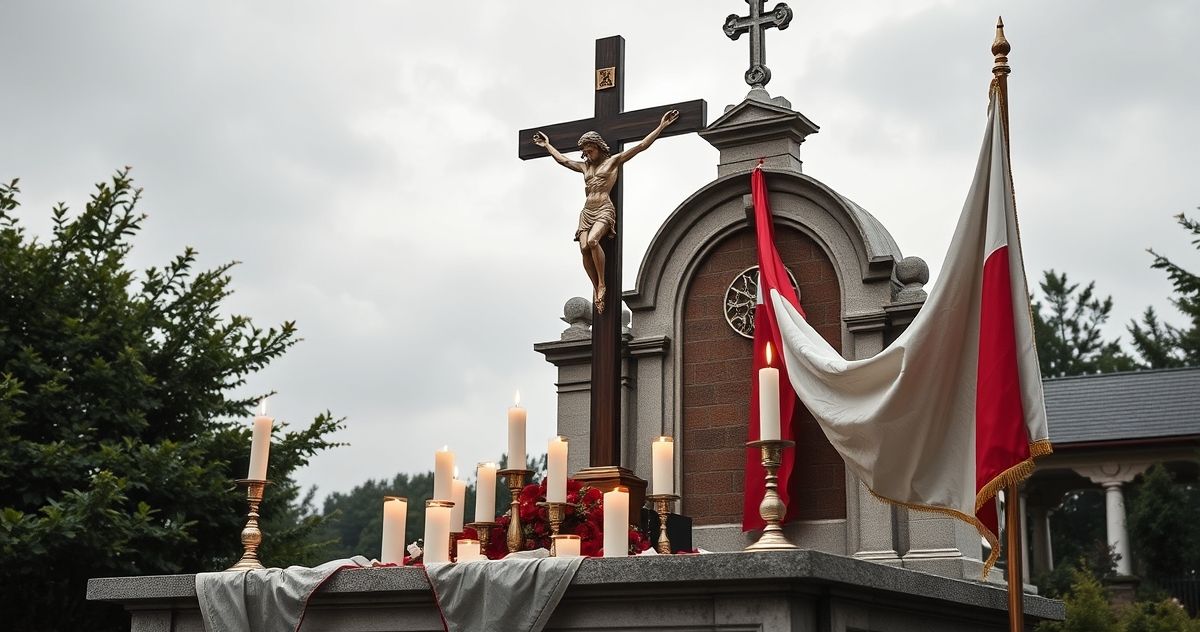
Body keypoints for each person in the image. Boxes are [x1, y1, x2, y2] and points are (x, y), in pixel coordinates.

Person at [532, 109, 679, 313]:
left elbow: (641, 146)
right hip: (587, 211)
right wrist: (547, 145)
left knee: (593, 241)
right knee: (584, 247)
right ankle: (595, 286)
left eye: (590, 150)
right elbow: (563, 160)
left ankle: (602, 283)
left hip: (603, 209)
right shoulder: (585, 168)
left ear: (599, 148)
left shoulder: (612, 162)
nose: (586, 154)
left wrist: (661, 127)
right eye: (584, 151)